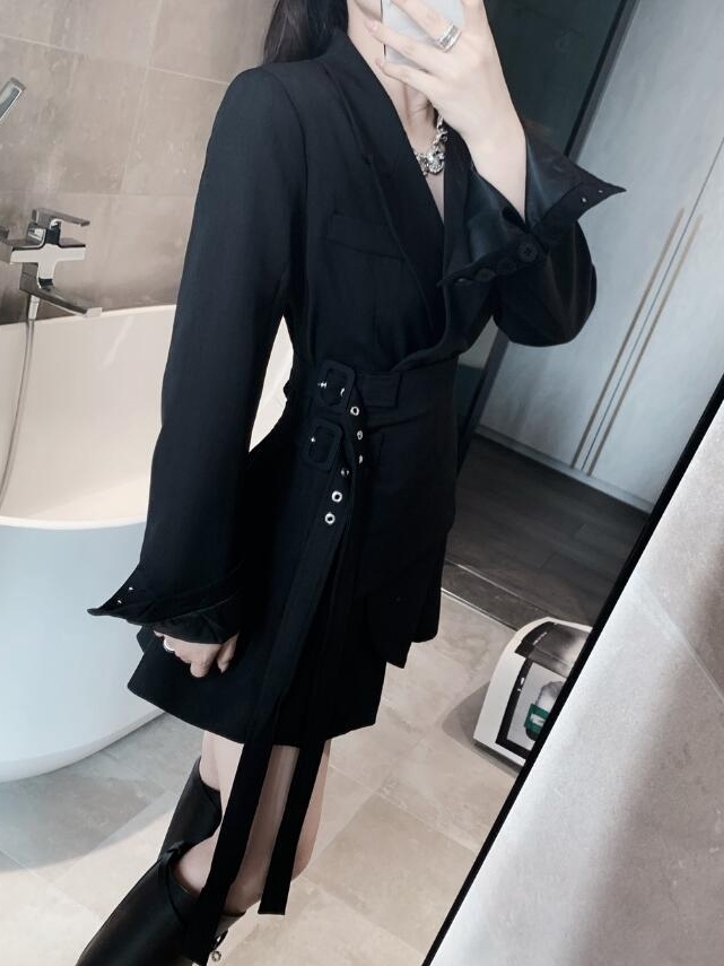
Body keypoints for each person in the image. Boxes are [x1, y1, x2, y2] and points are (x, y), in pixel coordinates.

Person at [76, 0, 625, 963]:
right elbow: (212, 363)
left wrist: (496, 123)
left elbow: (552, 317)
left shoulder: (478, 135)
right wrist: (190, 588)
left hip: (394, 530)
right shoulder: (283, 108)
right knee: (259, 860)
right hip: (310, 525)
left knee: (238, 800)